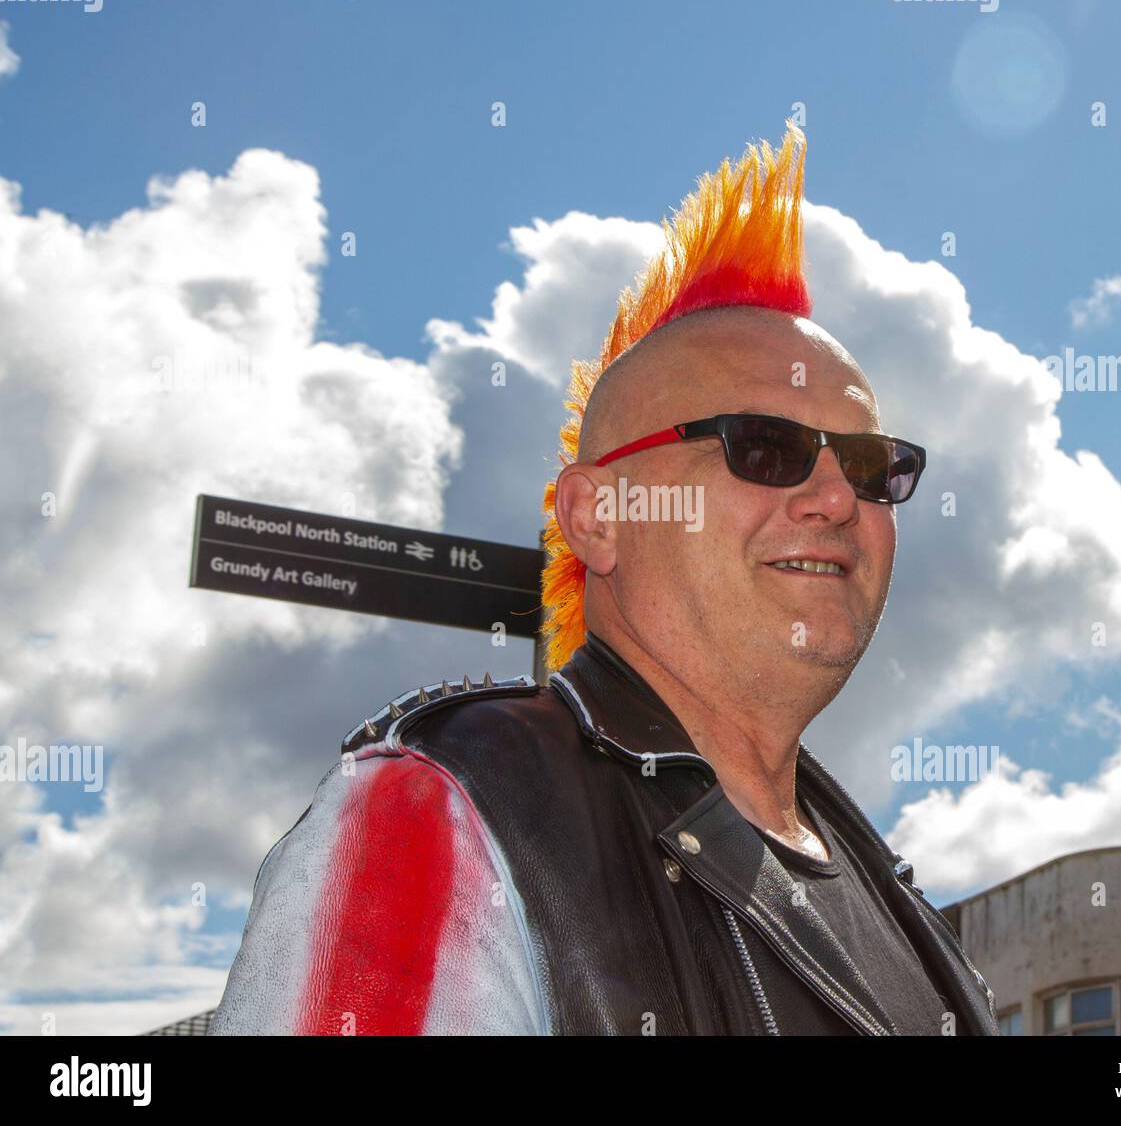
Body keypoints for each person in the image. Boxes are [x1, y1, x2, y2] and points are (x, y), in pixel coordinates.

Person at [208, 119, 999, 1036]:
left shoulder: (894, 902)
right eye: (765, 446)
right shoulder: (442, 807)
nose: (834, 495)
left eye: (871, 465)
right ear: (598, 517)